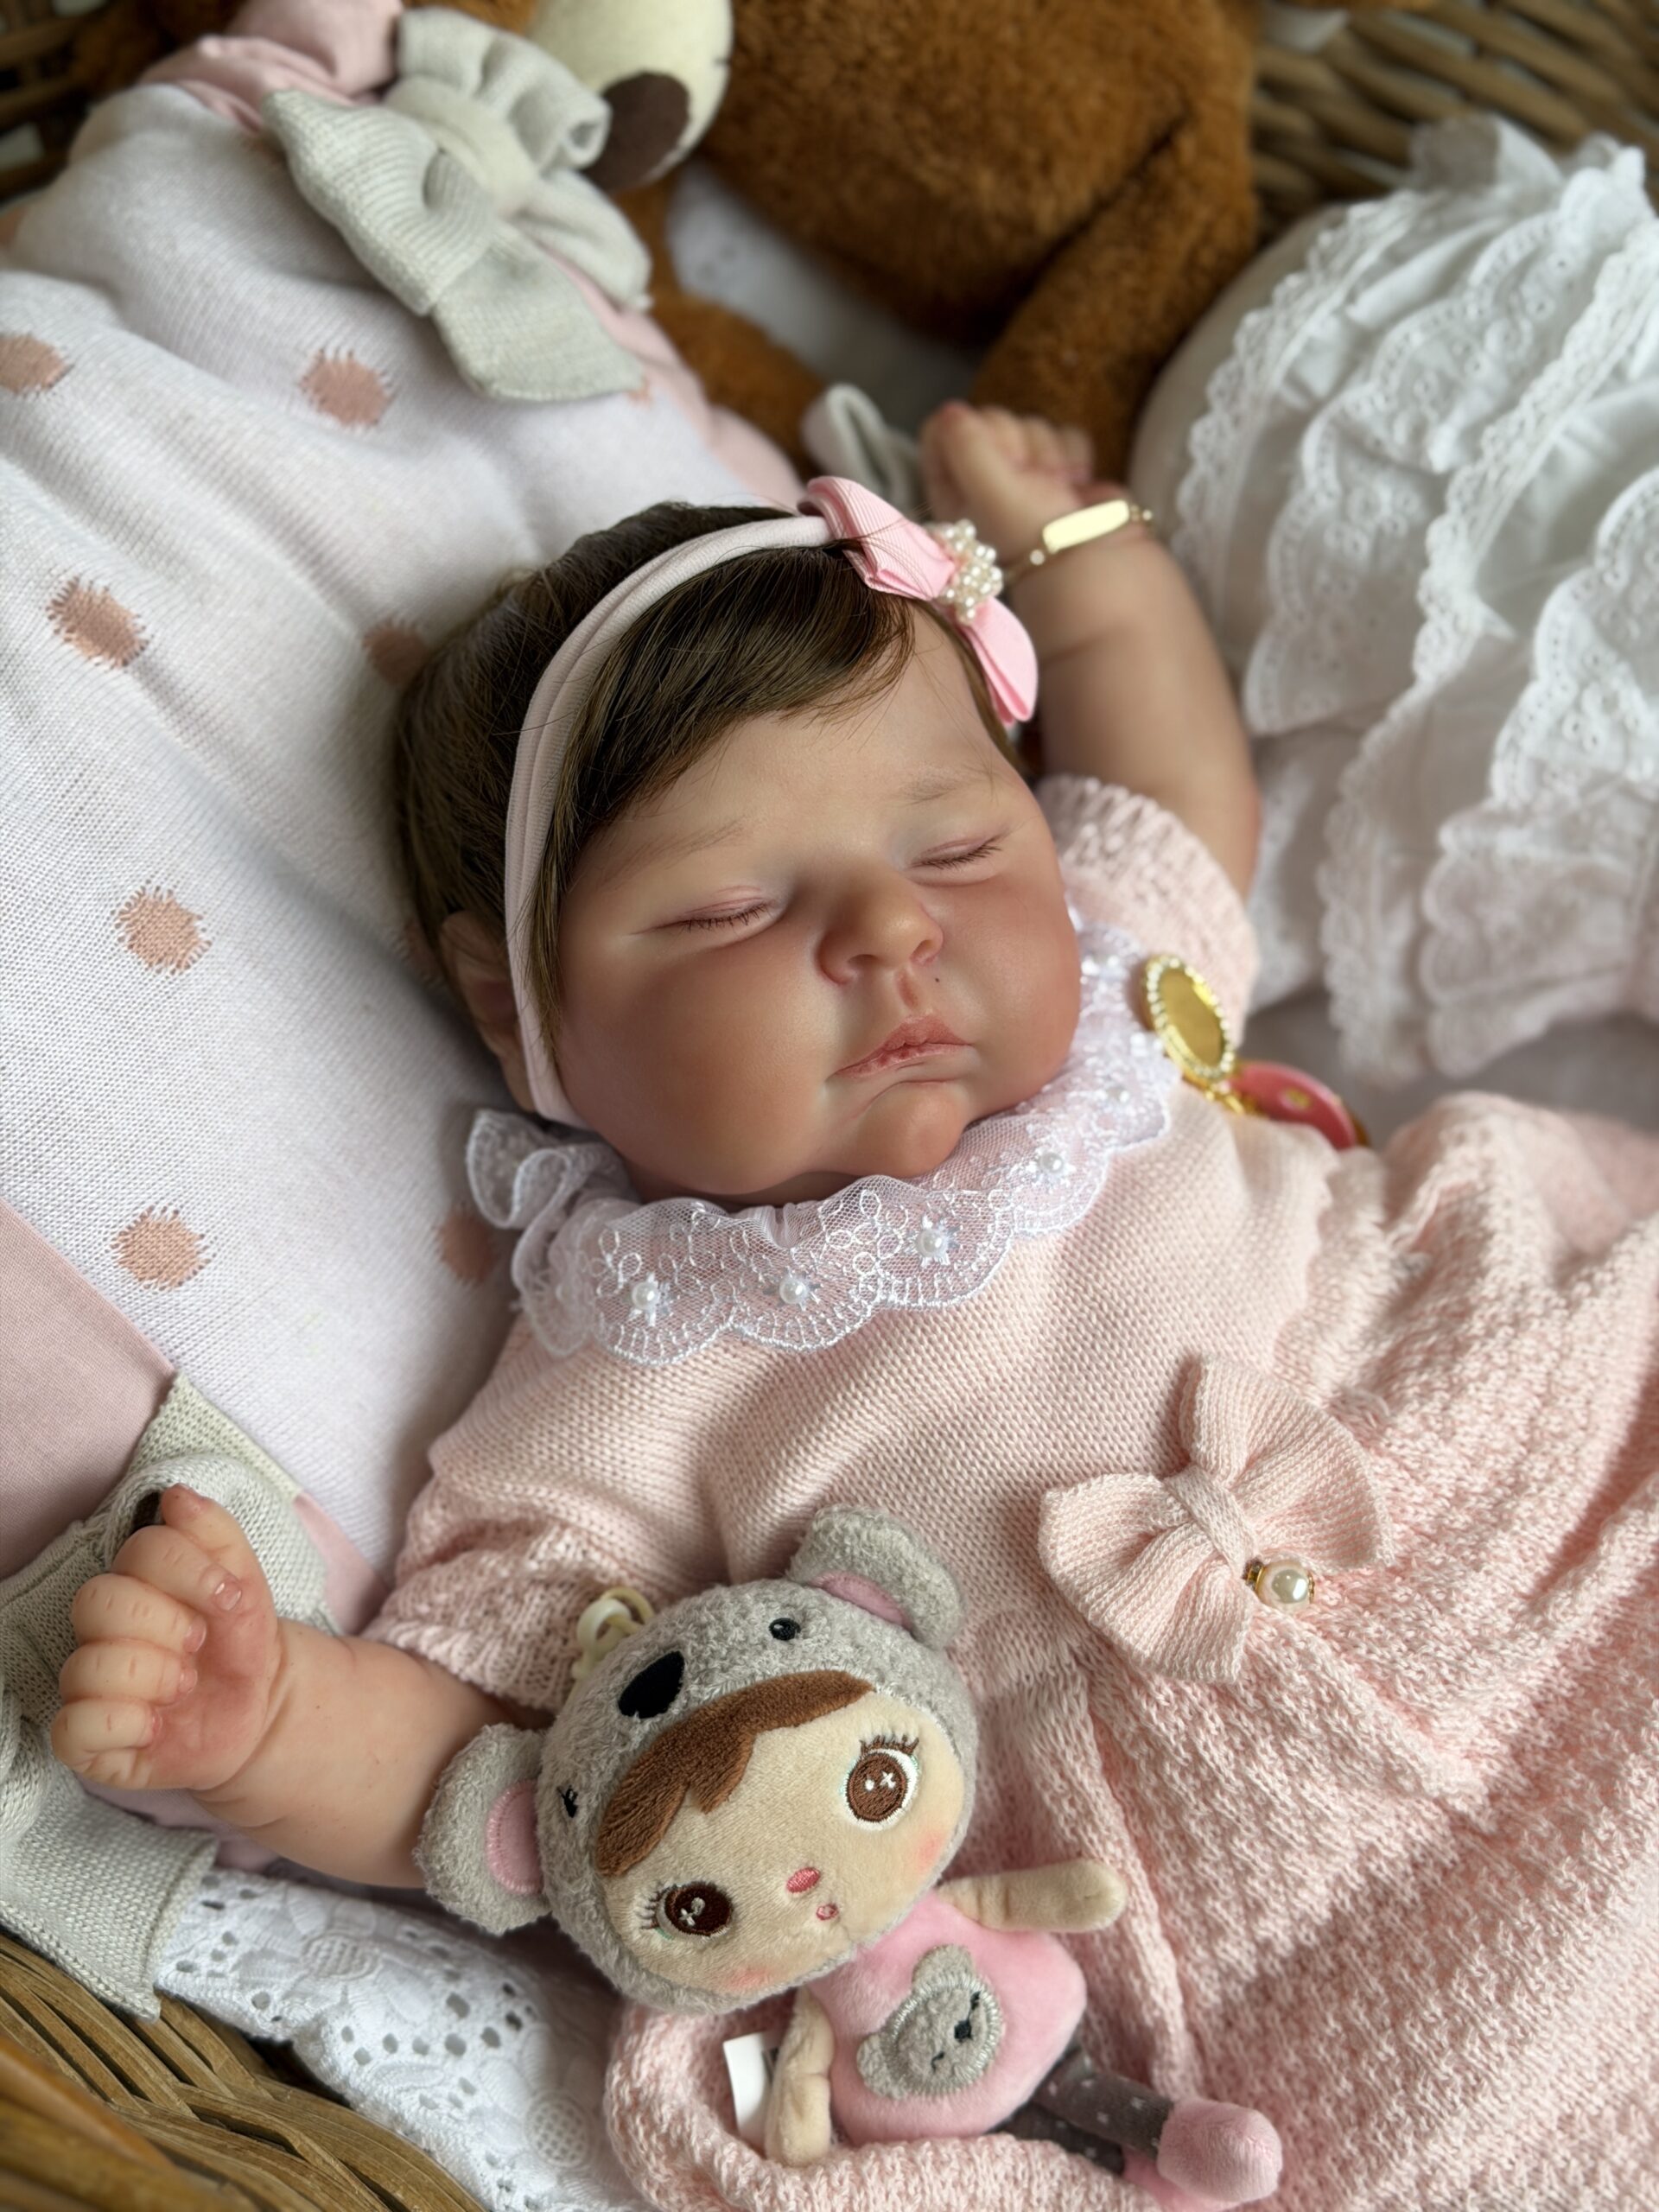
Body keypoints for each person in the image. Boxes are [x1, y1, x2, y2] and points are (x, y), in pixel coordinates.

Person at [48, 382, 1658, 2209]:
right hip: (1275, 1890)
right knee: (1462, 2123)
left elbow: (1172, 797)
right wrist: (270, 1727)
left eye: (957, 847)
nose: (894, 929)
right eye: (731, 909)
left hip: (1509, 1460)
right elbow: (522, 1765)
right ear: (517, 1009)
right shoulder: (624, 1367)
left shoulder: (1118, 1003)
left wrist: (1079, 560)